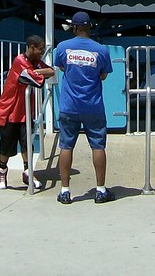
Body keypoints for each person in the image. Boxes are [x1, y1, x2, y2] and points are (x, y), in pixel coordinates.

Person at [53, 11, 114, 204]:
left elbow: (62, 67)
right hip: (93, 106)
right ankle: (101, 190)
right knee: (98, 146)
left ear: (74, 27)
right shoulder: (101, 50)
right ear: (90, 27)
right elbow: (103, 75)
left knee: (65, 146)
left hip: (69, 106)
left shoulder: (62, 47)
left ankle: (65, 191)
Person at [0, 35, 55, 190]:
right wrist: (37, 72)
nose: (42, 53)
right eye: (40, 50)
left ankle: (28, 172)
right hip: (9, 110)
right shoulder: (19, 61)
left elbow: (51, 71)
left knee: (26, 142)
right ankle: (2, 171)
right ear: (31, 47)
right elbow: (35, 79)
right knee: (6, 145)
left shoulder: (34, 63)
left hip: (25, 112)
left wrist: (37, 70)